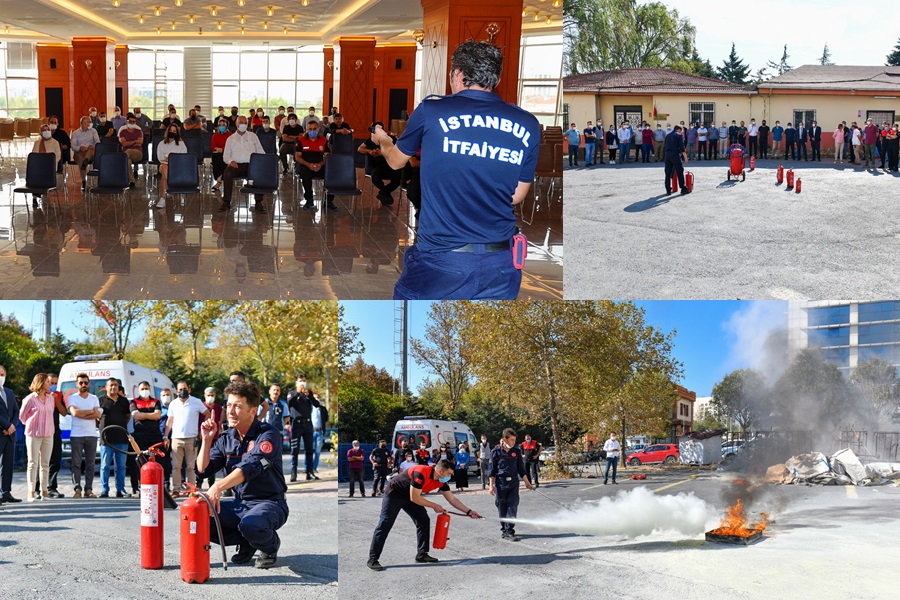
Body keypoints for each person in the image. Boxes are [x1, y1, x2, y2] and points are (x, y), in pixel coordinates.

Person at [369, 41, 540, 301]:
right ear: (496, 78)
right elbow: (517, 194)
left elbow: (394, 162)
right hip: (501, 263)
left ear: (458, 74)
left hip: (442, 259)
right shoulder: (527, 123)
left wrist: (382, 139)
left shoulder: (432, 110)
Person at [197, 381, 288, 569]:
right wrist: (206, 440)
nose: (230, 411)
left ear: (253, 411)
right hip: (240, 504)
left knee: (252, 524)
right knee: (198, 516)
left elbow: (250, 467)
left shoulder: (268, 435)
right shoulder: (226, 437)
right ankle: (249, 541)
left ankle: (269, 546)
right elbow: (203, 470)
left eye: (238, 406)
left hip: (269, 503)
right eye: (228, 405)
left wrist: (218, 487)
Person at [367, 458, 481, 571]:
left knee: (423, 521)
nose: (450, 476)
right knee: (385, 524)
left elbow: (452, 499)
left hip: (411, 497)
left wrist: (469, 511)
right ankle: (373, 559)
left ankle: (422, 554)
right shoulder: (421, 473)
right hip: (394, 494)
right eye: (449, 473)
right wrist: (434, 505)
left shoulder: (441, 482)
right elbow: (415, 497)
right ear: (440, 471)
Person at [164, 381, 209, 497]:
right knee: (176, 466)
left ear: (189, 389)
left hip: (191, 438)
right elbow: (169, 421)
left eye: (185, 388)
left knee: (191, 466)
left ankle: (192, 490)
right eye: (180, 389)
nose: (182, 391)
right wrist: (165, 436)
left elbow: (207, 414)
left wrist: (202, 429)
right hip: (176, 439)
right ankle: (176, 489)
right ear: (177, 391)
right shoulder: (173, 404)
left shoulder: (196, 401)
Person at [489, 428, 533, 542]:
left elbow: (521, 470)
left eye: (514, 440)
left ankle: (509, 530)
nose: (514, 442)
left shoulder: (516, 452)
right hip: (501, 483)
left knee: (512, 506)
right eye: (512, 440)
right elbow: (492, 471)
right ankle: (504, 530)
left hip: (513, 483)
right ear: (505, 439)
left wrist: (527, 483)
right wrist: (491, 486)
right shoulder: (496, 452)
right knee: (501, 506)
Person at [218, 115, 267, 214]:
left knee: (259, 173)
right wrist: (230, 161)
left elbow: (261, 152)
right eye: (241, 123)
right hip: (236, 165)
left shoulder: (253, 136)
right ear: (236, 124)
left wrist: (257, 163)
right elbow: (225, 156)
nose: (243, 125)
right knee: (227, 173)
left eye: (245, 123)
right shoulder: (230, 139)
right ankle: (226, 201)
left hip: (251, 165)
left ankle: (258, 202)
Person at [19, 374, 55, 502]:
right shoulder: (29, 399)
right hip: (33, 434)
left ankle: (44, 491)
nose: (50, 384)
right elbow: (22, 417)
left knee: (45, 463)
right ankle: (31, 492)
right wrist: (32, 424)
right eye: (47, 382)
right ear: (40, 383)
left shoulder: (51, 398)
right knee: (32, 463)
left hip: (48, 434)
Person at [66, 373, 100, 499]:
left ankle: (88, 489)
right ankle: (77, 489)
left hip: (91, 434)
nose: (83, 385)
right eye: (81, 383)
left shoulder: (94, 398)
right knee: (76, 463)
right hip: (76, 435)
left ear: (89, 383)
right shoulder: (72, 398)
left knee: (90, 464)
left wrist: (84, 413)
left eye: (86, 382)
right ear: (77, 384)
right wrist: (91, 411)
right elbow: (74, 413)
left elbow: (98, 415)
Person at [98, 378, 132, 498]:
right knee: (105, 465)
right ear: (106, 387)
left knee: (121, 466)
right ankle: (104, 489)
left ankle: (121, 490)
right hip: (106, 439)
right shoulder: (100, 400)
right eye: (111, 385)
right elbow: (97, 418)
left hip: (121, 438)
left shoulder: (124, 401)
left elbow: (127, 416)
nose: (113, 387)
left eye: (116, 385)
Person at [129, 381, 163, 495]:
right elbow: (135, 415)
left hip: (155, 435)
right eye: (142, 388)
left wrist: (142, 415)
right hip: (140, 435)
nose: (145, 390)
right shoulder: (134, 402)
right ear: (138, 391)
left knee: (156, 461)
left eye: (146, 388)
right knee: (140, 461)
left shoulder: (156, 401)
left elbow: (157, 415)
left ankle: (158, 484)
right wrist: (150, 416)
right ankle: (138, 485)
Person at [295, 120, 337, 212]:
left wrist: (320, 164)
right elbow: (298, 157)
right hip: (306, 164)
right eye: (310, 129)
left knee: (331, 175)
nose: (312, 131)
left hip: (320, 164)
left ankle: (328, 201)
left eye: (314, 129)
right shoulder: (301, 140)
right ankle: (309, 200)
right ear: (306, 129)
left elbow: (327, 157)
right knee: (305, 175)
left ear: (318, 129)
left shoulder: (323, 140)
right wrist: (308, 164)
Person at [358, 121, 402, 206]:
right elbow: (360, 149)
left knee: (397, 179)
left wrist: (382, 152)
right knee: (375, 177)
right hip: (378, 165)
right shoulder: (370, 140)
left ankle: (383, 193)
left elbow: (397, 150)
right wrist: (370, 151)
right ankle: (385, 194)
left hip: (391, 163)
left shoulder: (391, 138)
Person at [287, 374, 321, 482]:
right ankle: (294, 472)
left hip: (307, 424)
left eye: (305, 381)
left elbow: (316, 404)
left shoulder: (308, 393)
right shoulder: (292, 393)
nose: (303, 383)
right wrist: (297, 392)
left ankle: (309, 472)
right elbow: (290, 403)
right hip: (296, 424)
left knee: (309, 449)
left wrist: (309, 395)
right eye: (301, 381)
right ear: (296, 382)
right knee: (295, 449)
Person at [43, 374, 67, 498]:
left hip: (55, 431)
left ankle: (52, 487)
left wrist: (56, 400)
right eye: (50, 382)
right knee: (42, 461)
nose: (52, 385)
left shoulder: (59, 394)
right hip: (42, 432)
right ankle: (38, 488)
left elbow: (64, 412)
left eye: (55, 383)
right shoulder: (40, 395)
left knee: (55, 460)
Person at [0, 365, 21, 504]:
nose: (0, 377)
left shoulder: (9, 392)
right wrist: (7, 426)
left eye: (2, 374)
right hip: (1, 431)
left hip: (9, 435)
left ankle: (6, 492)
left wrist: (13, 426)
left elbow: (15, 411)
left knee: (7, 465)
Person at [196, 387, 224, 489]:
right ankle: (199, 481)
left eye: (212, 395)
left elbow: (220, 421)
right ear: (204, 396)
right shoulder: (201, 407)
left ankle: (211, 483)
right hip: (202, 437)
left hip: (215, 437)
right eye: (208, 395)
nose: (210, 397)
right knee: (201, 459)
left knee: (212, 459)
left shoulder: (218, 408)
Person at [155, 124, 188, 208]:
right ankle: (165, 193)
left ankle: (163, 196)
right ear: (167, 131)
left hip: (178, 166)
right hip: (164, 165)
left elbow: (184, 157)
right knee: (164, 167)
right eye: (170, 130)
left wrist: (172, 159)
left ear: (177, 133)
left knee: (164, 176)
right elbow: (160, 158)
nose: (172, 132)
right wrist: (166, 160)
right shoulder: (161, 144)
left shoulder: (181, 144)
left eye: (174, 131)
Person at [72, 116, 101, 190]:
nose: (90, 124)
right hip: (80, 152)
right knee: (80, 160)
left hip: (91, 152)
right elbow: (73, 146)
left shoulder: (93, 131)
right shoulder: (75, 133)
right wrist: (80, 148)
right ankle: (83, 181)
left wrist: (92, 146)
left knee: (91, 147)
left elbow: (98, 142)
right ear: (83, 123)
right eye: (89, 122)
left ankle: (86, 160)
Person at [118, 113, 143, 187]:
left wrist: (128, 143)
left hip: (138, 153)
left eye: (134, 122)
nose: (132, 123)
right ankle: (132, 181)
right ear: (126, 122)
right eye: (130, 121)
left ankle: (119, 170)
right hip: (127, 154)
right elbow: (123, 144)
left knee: (127, 152)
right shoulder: (122, 131)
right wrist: (135, 141)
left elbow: (140, 143)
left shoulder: (138, 131)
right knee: (128, 161)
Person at [663, 125, 689, 196]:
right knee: (679, 171)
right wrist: (685, 158)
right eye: (682, 130)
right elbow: (682, 148)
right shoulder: (679, 135)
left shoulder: (668, 135)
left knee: (667, 173)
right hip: (675, 155)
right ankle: (683, 188)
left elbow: (664, 146)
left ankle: (668, 190)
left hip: (667, 155)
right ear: (679, 130)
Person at [210, 118, 232, 191]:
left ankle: (219, 182)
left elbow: (231, 146)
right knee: (217, 158)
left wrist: (223, 149)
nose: (221, 127)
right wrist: (217, 149)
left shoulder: (230, 135)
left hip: (228, 153)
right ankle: (219, 180)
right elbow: (212, 147)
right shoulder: (215, 136)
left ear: (227, 127)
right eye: (220, 125)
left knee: (222, 159)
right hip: (218, 154)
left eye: (223, 125)